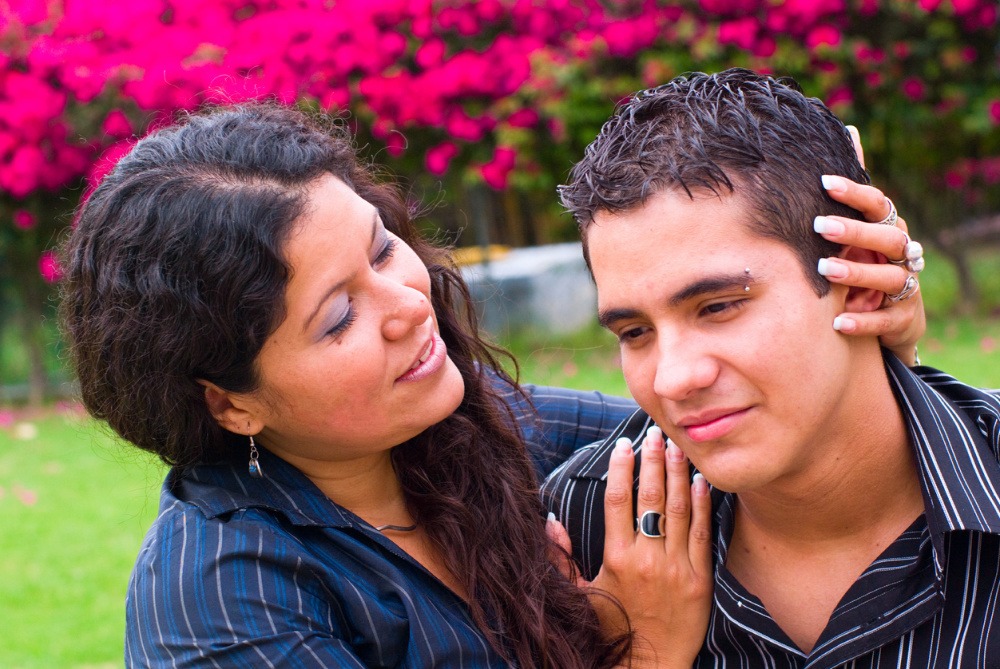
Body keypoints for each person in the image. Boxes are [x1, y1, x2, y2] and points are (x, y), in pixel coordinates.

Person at [60, 103, 922, 667]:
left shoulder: (487, 429)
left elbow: (734, 420)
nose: (407, 302)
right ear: (230, 399)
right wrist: (648, 650)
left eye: (381, 247)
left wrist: (864, 331)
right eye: (338, 318)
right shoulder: (221, 594)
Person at [543, 68, 1000, 667]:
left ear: (859, 279)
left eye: (719, 307)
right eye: (635, 332)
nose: (672, 378)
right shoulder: (584, 530)